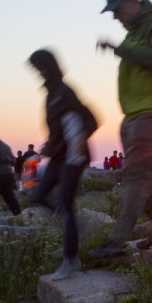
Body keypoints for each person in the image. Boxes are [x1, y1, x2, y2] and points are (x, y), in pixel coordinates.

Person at [90, 0, 152, 258]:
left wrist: (120, 50)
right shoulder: (133, 34)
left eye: (117, 10)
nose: (116, 17)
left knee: (136, 175)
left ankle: (116, 241)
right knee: (145, 175)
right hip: (134, 115)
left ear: (132, 1)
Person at [27, 49, 98, 280]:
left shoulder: (64, 91)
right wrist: (50, 145)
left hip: (73, 157)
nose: (37, 72)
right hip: (58, 156)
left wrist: (79, 141)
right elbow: (58, 129)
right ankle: (70, 224)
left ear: (47, 66)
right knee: (38, 197)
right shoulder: (51, 94)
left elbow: (91, 119)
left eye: (38, 67)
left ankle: (71, 260)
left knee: (66, 205)